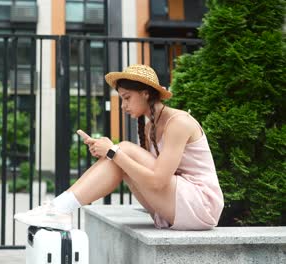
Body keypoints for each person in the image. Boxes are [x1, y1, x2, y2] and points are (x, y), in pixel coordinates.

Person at [14, 64, 224, 231]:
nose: (123, 106)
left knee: (123, 150)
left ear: (145, 94)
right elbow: (144, 173)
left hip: (201, 204)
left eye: (126, 98)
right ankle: (58, 208)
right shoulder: (151, 125)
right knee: (121, 155)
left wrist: (113, 152)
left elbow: (158, 181)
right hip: (179, 203)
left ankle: (59, 209)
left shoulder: (178, 122)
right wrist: (108, 152)